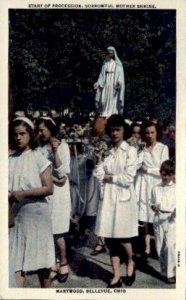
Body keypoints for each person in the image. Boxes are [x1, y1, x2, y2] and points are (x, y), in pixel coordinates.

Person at [8, 117, 55, 288]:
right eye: (15, 135)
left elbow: (49, 188)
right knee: (15, 263)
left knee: (42, 263)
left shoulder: (38, 157)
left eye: (22, 134)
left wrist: (22, 193)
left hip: (37, 216)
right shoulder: (9, 159)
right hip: (17, 217)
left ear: (30, 134)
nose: (18, 138)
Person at [93, 114, 138, 287]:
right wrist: (98, 160)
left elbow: (128, 178)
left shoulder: (130, 151)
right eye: (112, 130)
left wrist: (109, 177)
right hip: (109, 199)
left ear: (124, 131)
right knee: (111, 239)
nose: (114, 133)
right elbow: (99, 175)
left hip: (124, 198)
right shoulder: (108, 152)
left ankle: (131, 261)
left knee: (123, 237)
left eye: (118, 130)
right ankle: (116, 275)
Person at [37, 117, 71, 283]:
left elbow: (63, 174)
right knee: (47, 230)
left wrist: (55, 151)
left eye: (42, 130)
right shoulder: (39, 149)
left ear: (51, 129)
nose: (40, 133)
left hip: (59, 194)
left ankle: (63, 261)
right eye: (38, 130)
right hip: (46, 191)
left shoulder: (63, 147)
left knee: (57, 230)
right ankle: (53, 263)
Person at [135, 121, 169, 259]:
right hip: (144, 185)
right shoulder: (142, 148)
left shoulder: (162, 148)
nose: (149, 135)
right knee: (145, 217)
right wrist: (139, 150)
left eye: (152, 132)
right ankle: (147, 246)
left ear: (157, 133)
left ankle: (161, 247)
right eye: (147, 133)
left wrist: (148, 169)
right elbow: (136, 165)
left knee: (157, 216)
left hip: (156, 184)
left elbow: (164, 169)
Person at [151, 160, 176, 284]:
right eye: (163, 174)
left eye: (169, 175)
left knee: (170, 246)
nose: (165, 177)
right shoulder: (156, 188)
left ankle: (172, 273)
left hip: (172, 220)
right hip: (158, 219)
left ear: (173, 175)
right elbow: (152, 202)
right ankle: (165, 271)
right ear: (160, 173)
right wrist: (154, 206)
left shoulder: (177, 188)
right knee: (160, 247)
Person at [94, 46, 125, 118]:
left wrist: (119, 82)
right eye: (108, 53)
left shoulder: (117, 64)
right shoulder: (105, 64)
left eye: (111, 53)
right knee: (104, 98)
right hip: (106, 83)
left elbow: (120, 75)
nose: (110, 54)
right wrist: (98, 83)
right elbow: (101, 76)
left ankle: (112, 112)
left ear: (114, 54)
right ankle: (104, 111)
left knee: (112, 98)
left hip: (113, 84)